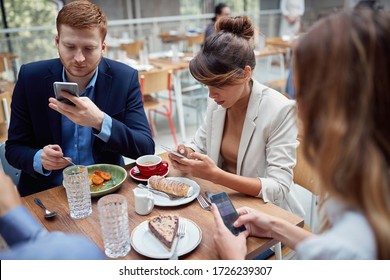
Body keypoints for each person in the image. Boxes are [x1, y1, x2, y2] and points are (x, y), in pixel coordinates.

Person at [211, 9, 390, 260]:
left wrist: (236, 263)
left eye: (304, 94)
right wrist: (274, 225)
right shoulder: (370, 199)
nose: (298, 109)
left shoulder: (354, 247)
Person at [5, 1, 155, 196]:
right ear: (57, 42)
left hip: (107, 190)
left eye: (89, 49)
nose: (79, 58)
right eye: (70, 46)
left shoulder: (124, 79)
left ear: (103, 47)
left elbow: (145, 149)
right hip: (48, 192)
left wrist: (100, 121)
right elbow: (14, 149)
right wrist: (39, 158)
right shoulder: (30, 78)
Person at [169, 16, 305, 218]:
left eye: (218, 85)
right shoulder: (217, 102)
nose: (210, 94)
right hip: (221, 202)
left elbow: (278, 188)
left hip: (267, 215)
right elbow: (200, 143)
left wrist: (216, 175)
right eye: (207, 85)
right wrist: (187, 152)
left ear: (245, 74)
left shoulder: (280, 110)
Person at [0, 172, 105, 259]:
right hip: (44, 194)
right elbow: (79, 253)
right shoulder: (81, 253)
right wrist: (13, 214)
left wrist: (13, 215)